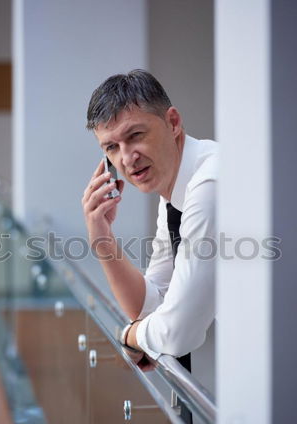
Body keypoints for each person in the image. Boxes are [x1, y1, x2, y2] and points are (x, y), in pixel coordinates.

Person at [82, 69, 217, 369]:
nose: (127, 158)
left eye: (135, 136)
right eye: (111, 147)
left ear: (173, 122)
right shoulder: (173, 191)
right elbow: (153, 306)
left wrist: (130, 335)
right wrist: (103, 240)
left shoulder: (208, 186)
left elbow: (177, 332)